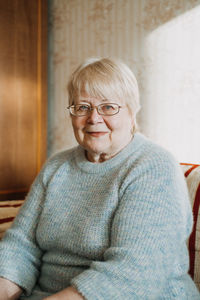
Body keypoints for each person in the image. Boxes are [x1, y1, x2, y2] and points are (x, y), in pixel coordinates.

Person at [0, 57, 199, 300]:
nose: (93, 118)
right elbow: (21, 246)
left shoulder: (153, 166)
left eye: (108, 107)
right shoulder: (57, 166)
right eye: (82, 107)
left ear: (131, 111)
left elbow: (134, 273)